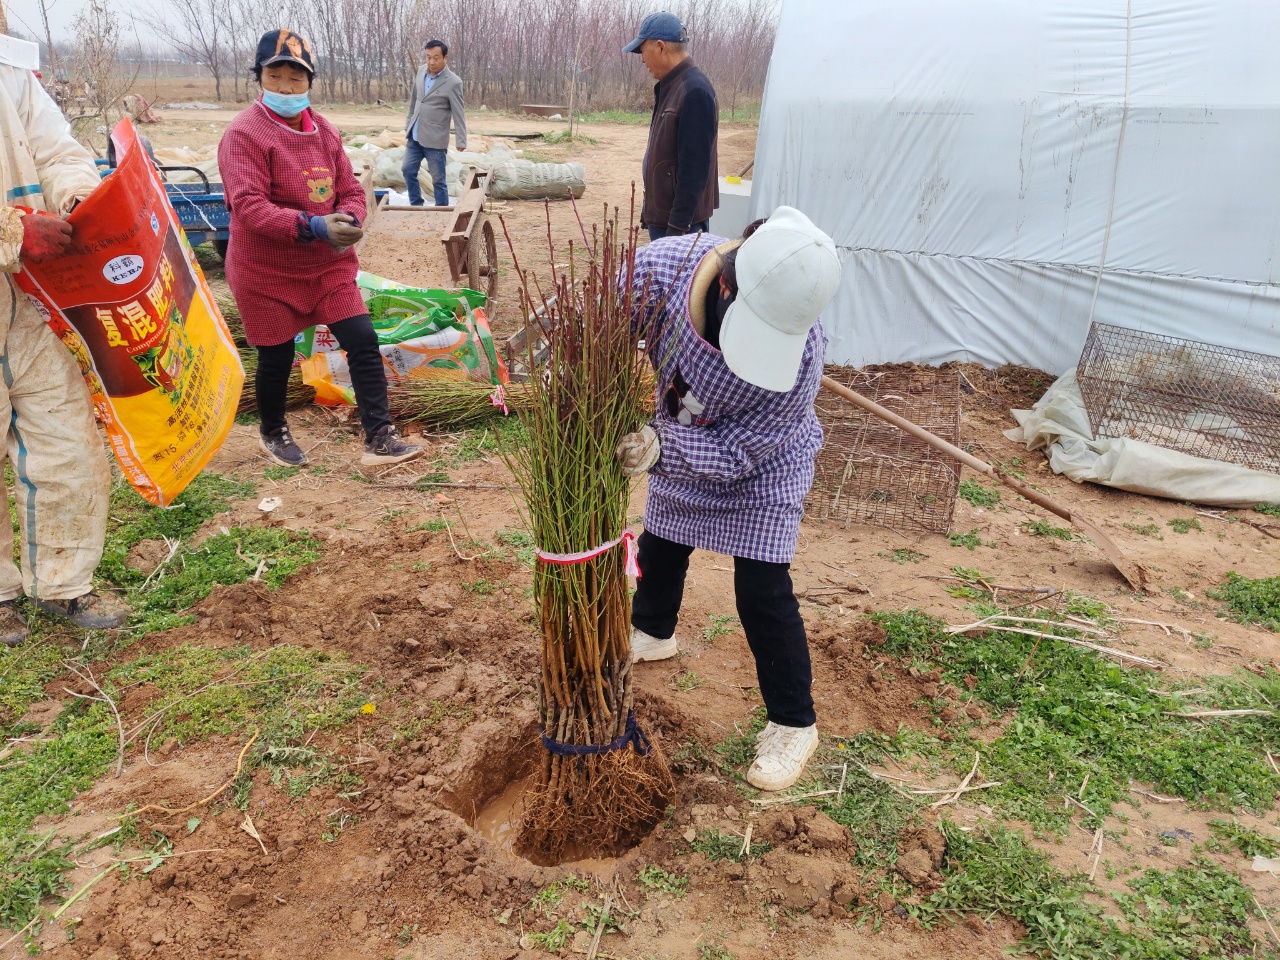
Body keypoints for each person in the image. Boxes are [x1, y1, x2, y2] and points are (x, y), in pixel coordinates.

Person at [617, 207, 842, 791]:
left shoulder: (802, 358)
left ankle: (794, 724)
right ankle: (653, 631)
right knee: (662, 542)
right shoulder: (666, 269)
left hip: (763, 463)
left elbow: (741, 452)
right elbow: (596, 315)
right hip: (677, 429)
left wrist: (661, 447)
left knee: (762, 587)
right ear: (725, 285)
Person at [219, 29, 422, 469]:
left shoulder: (325, 130)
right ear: (259, 78)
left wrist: (350, 218)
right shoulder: (243, 134)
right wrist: (311, 225)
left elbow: (349, 188)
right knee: (277, 355)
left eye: (296, 78)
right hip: (265, 270)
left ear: (309, 82)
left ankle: (380, 437)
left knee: (362, 339)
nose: (286, 87)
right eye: (275, 76)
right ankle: (273, 431)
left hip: (326, 265)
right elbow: (248, 205)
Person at [0, 43, 130, 645]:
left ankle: (62, 581)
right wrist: (10, 231)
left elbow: (57, 150)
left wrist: (79, 197)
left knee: (66, 439)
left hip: (31, 294)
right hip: (18, 255)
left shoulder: (10, 74)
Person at [624, 11, 719, 242]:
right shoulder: (672, 86)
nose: (642, 60)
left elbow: (694, 168)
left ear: (660, 47)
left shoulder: (693, 90)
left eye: (642, 50)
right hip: (666, 220)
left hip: (681, 227)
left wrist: (677, 228)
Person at [402, 39, 467, 208]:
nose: (431, 62)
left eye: (436, 58)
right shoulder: (421, 72)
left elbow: (458, 113)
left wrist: (461, 139)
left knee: (438, 179)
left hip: (435, 139)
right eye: (428, 57)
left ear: (445, 58)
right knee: (407, 170)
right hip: (415, 135)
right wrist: (408, 122)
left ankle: (442, 210)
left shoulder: (453, 82)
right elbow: (415, 100)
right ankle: (416, 205)